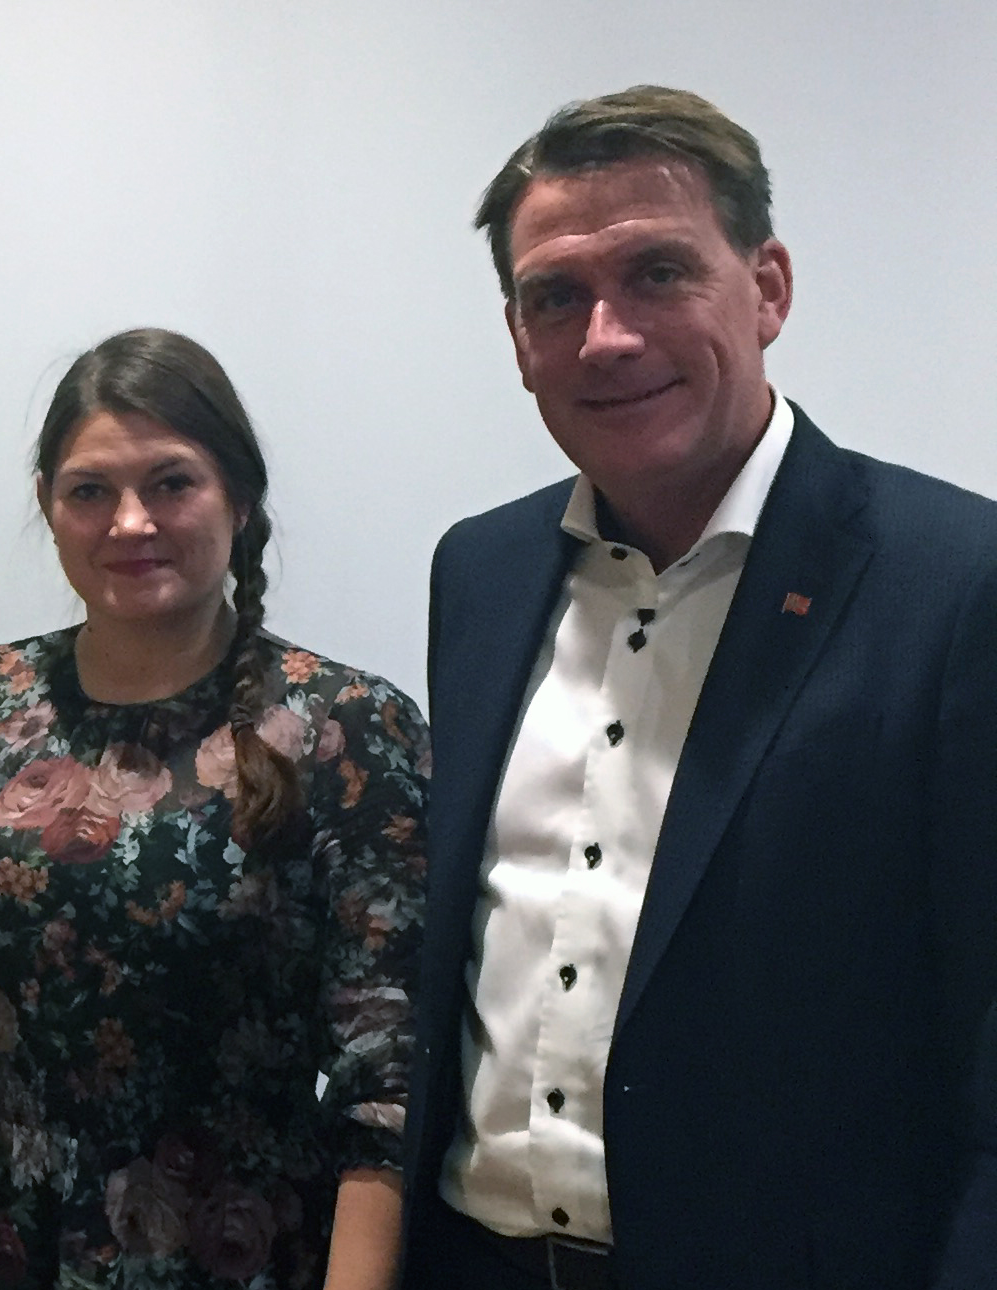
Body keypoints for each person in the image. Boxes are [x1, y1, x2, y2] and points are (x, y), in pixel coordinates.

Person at [402, 86, 997, 1290]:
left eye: (659, 274)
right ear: (516, 337)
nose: (605, 338)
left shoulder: (957, 585)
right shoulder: (481, 569)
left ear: (768, 287)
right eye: (554, 298)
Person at [0, 328, 429, 1290]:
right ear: (48, 507)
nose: (131, 523)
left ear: (239, 495)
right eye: (91, 490)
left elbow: (387, 1075)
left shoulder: (345, 727)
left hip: (238, 1253)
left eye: (171, 483)